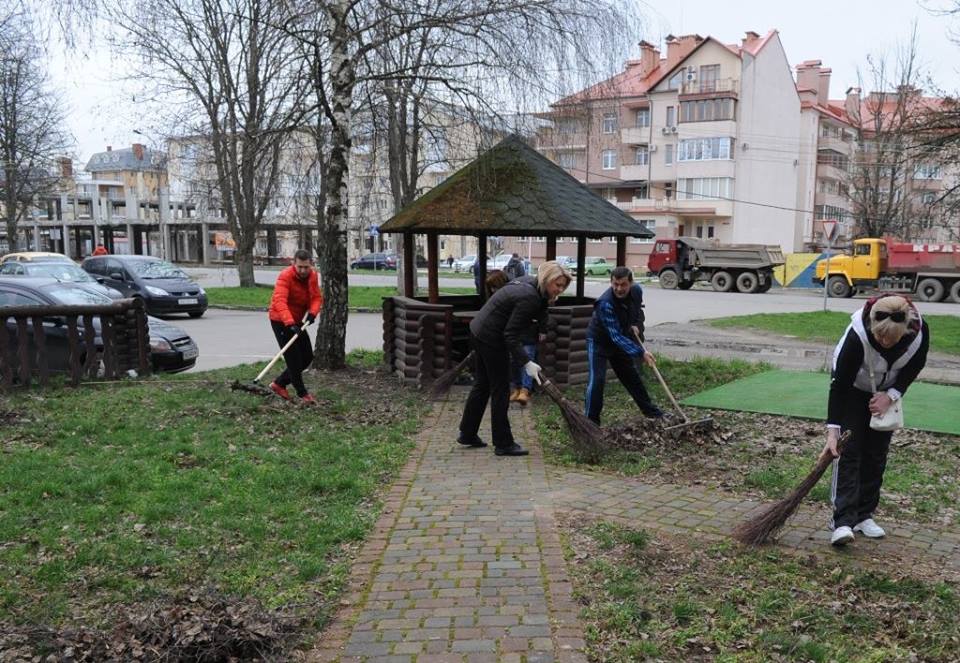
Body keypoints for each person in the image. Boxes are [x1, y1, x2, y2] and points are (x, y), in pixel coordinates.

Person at [824, 294, 929, 547]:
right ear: (872, 325)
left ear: (905, 329)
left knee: (876, 453)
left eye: (891, 339)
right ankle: (842, 522)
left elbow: (915, 366)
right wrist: (832, 433)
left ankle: (863, 515)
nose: (885, 342)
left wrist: (891, 396)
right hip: (852, 390)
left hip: (885, 394)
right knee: (850, 452)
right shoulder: (856, 337)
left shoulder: (919, 333)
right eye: (880, 337)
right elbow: (839, 386)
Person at [458, 260, 572, 456]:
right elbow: (509, 335)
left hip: (477, 331)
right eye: (557, 285)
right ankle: (503, 443)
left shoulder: (533, 286)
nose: (560, 290)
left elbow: (541, 308)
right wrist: (527, 362)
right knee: (500, 389)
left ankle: (467, 433)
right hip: (490, 338)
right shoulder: (529, 297)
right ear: (546, 280)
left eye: (563, 286)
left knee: (483, 384)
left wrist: (544, 322)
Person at [584, 266, 663, 424]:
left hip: (619, 339)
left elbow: (636, 311)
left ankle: (652, 413)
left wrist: (634, 323)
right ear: (611, 282)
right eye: (615, 284)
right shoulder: (605, 303)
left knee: (631, 376)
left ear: (631, 283)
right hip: (599, 342)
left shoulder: (637, 291)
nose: (619, 289)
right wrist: (641, 353)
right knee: (597, 380)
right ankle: (591, 422)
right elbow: (616, 337)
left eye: (623, 284)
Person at [267, 249, 323, 404]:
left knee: (307, 357)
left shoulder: (312, 276)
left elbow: (317, 297)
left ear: (311, 264)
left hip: (298, 320)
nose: (303, 270)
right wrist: (290, 323)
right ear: (294, 264)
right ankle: (302, 393)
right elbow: (279, 302)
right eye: (300, 267)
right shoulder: (285, 276)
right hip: (280, 319)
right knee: (294, 360)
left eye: (306, 267)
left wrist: (312, 313)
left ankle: (279, 383)